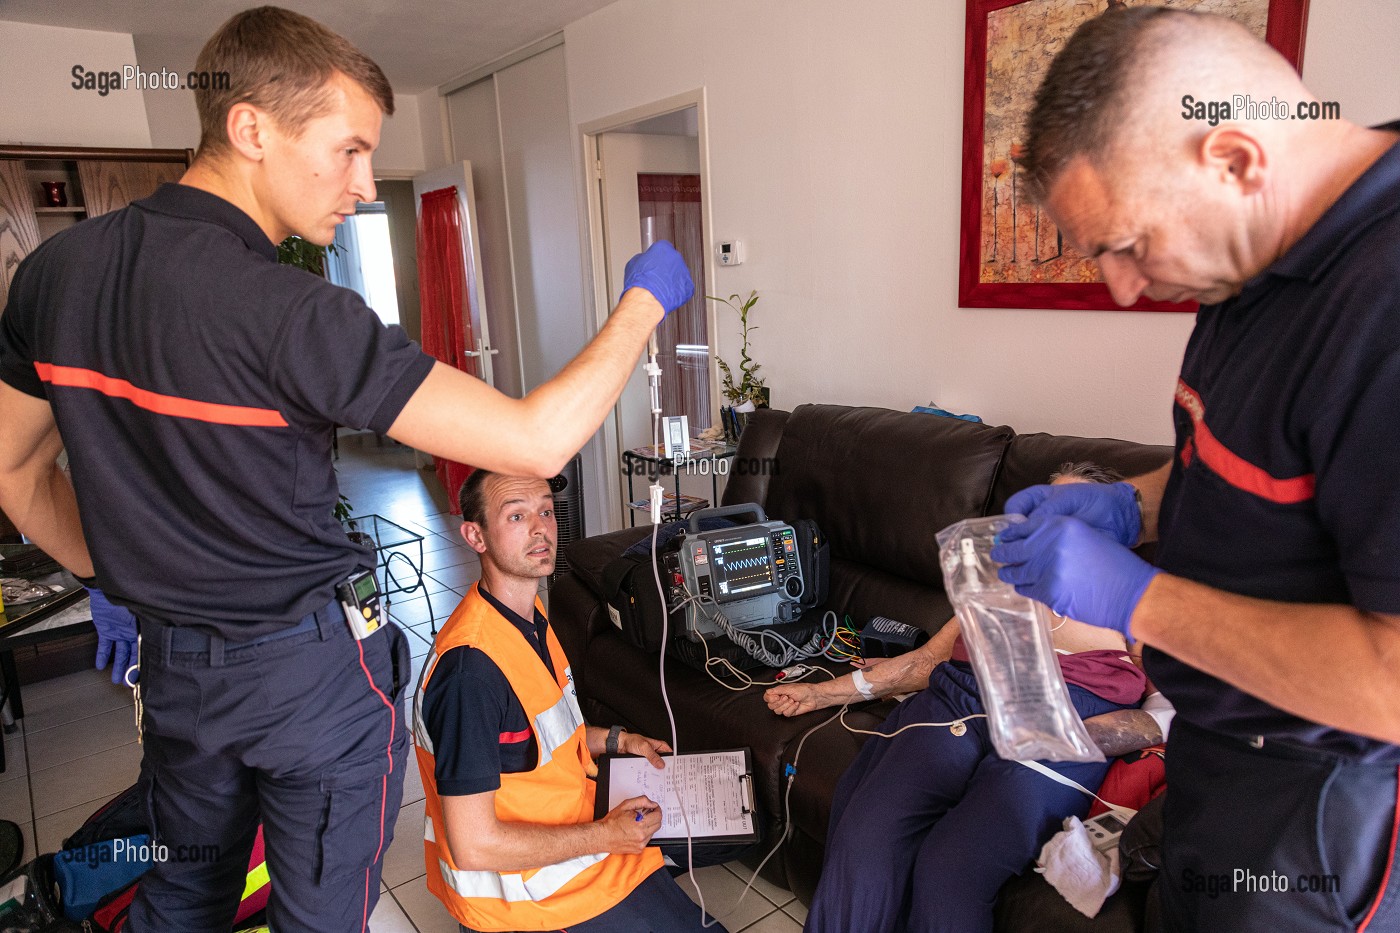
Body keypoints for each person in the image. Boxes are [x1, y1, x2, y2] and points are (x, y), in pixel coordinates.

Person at [0, 7, 694, 931]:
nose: (366, 186)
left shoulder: (54, 275)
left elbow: (13, 470)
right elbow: (533, 441)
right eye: (350, 149)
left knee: (184, 890)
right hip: (303, 681)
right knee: (320, 914)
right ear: (250, 128)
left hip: (175, 675)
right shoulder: (293, 311)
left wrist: (118, 571)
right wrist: (645, 301)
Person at [990, 7, 1400, 931]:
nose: (1125, 289)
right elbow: (1251, 466)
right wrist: (1130, 506)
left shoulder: (1382, 305)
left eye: (1128, 245)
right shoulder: (1257, 262)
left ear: (1236, 158)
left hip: (1324, 823)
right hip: (1220, 768)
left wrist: (1138, 600)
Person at [773, 463, 1167, 933]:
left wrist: (1087, 735)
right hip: (956, 703)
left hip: (1063, 723)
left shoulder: (1138, 597)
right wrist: (823, 693)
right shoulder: (998, 580)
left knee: (950, 869)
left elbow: (1172, 707)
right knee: (868, 835)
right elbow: (924, 662)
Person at [414, 469, 725, 933]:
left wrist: (620, 741)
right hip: (527, 895)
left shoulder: (527, 615)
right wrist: (607, 836)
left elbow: (541, 736)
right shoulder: (470, 673)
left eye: (545, 511)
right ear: (475, 535)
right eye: (516, 515)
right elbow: (473, 845)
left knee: (731, 819)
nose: (541, 528)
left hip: (572, 828)